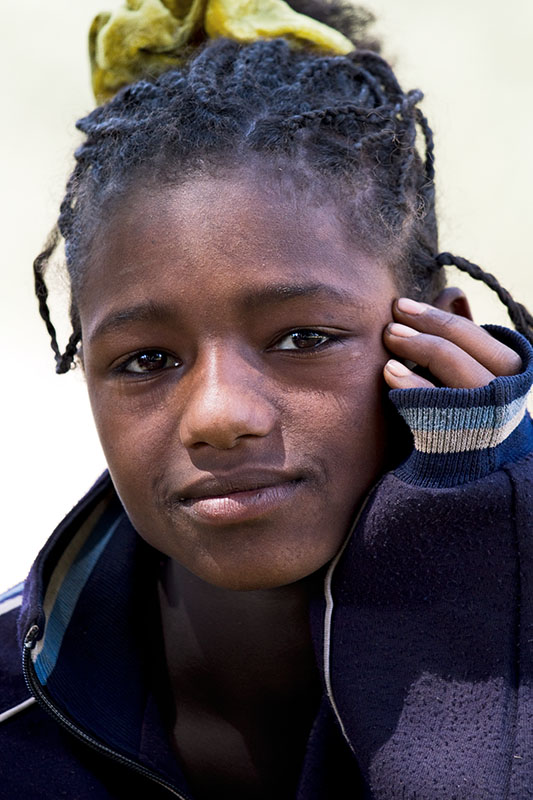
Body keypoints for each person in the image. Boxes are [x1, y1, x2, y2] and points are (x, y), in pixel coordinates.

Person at [1, 0, 532, 797]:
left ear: (441, 343)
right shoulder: (13, 698)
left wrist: (476, 537)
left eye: (302, 339)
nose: (219, 415)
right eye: (146, 358)